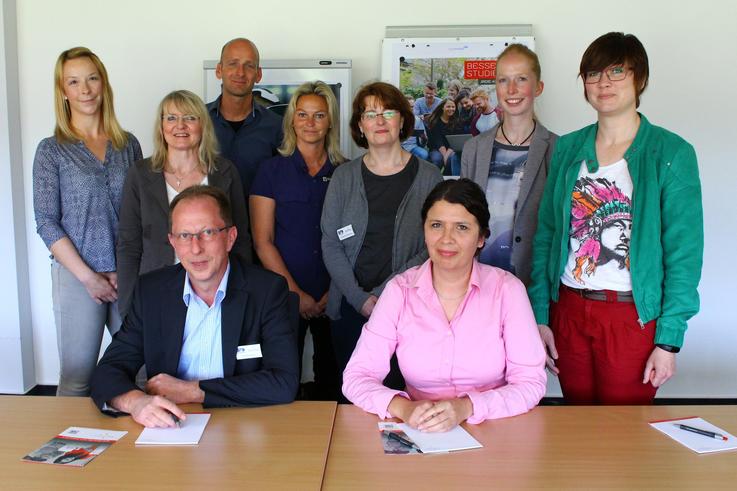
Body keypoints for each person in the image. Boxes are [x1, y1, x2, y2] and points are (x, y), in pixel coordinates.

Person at [528, 32, 703, 405]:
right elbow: (547, 234)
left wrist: (669, 339)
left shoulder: (671, 153)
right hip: (569, 310)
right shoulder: (568, 148)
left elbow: (684, 254)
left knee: (626, 433)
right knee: (578, 422)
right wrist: (541, 315)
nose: (603, 83)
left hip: (631, 318)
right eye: (593, 74)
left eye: (617, 71)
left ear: (640, 78)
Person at [343, 179, 546, 431]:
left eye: (461, 227)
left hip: (493, 429)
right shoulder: (399, 291)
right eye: (437, 225)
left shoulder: (508, 291)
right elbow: (356, 377)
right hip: (420, 429)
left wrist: (467, 407)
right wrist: (402, 408)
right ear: (425, 230)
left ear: (481, 237)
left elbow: (530, 383)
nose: (446, 239)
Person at [91, 186, 299, 427]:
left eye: (207, 232)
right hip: (174, 428)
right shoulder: (152, 292)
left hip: (245, 426)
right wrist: (136, 402)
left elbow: (284, 382)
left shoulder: (266, 291)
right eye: (184, 236)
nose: (196, 248)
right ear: (172, 242)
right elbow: (108, 370)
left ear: (230, 238)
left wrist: (193, 391)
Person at [321, 81, 442, 399]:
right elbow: (330, 242)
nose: (379, 120)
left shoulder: (429, 177)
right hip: (349, 307)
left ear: (402, 119)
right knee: (353, 400)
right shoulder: (344, 176)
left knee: (402, 399)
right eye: (370, 113)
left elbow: (432, 248)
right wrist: (360, 299)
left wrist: (382, 296)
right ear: (360, 124)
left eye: (388, 112)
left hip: (408, 309)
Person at [32, 47, 142, 397]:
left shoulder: (129, 145)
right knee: (78, 377)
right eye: (74, 81)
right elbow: (47, 223)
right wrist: (89, 277)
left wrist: (126, 270)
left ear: (103, 83)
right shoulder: (52, 150)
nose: (85, 89)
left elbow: (141, 214)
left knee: (141, 373)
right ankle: (70, 450)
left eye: (92, 78)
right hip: (77, 279)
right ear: (63, 91)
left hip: (128, 275)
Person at [117, 90, 252, 318]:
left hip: (215, 293)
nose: (180, 126)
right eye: (171, 118)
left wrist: (242, 295)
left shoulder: (225, 172)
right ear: (161, 127)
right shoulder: (140, 175)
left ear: (203, 125)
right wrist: (128, 306)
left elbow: (240, 241)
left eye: (190, 118)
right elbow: (129, 246)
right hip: (155, 293)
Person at [250, 81, 345, 400]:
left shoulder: (346, 171)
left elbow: (354, 240)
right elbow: (263, 241)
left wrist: (335, 290)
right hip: (284, 294)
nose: (310, 122)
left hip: (336, 294)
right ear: (291, 119)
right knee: (282, 380)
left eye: (319, 115)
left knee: (334, 380)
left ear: (330, 120)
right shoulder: (270, 170)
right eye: (302, 114)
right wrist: (297, 294)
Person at [461, 44, 557, 285]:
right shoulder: (474, 149)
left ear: (539, 87)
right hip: (477, 281)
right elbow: (462, 218)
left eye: (521, 79)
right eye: (503, 80)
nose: (511, 89)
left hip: (533, 283)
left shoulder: (558, 149)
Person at [207, 38, 283, 194]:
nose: (240, 73)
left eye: (249, 66)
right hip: (207, 218)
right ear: (219, 70)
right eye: (233, 63)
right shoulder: (197, 121)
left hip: (259, 218)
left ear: (258, 74)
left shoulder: (277, 127)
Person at [426, 98, 461, 175]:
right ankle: (433, 178)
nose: (451, 109)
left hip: (451, 148)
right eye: (448, 106)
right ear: (442, 107)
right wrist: (445, 155)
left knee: (451, 158)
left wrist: (447, 155)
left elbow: (455, 140)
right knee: (437, 159)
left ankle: (446, 178)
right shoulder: (434, 121)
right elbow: (438, 141)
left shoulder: (456, 121)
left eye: (453, 107)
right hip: (436, 148)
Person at [400, 95, 429, 160]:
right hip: (398, 147)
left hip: (413, 146)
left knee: (424, 154)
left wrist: (424, 138)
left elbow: (423, 140)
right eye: (408, 106)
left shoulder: (417, 120)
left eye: (412, 107)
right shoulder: (396, 119)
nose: (410, 109)